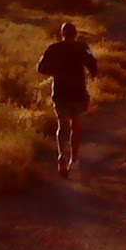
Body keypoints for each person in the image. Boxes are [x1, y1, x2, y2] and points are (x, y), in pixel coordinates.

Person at [37, 21, 98, 177]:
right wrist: (92, 73)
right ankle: (74, 160)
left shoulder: (53, 48)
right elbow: (93, 65)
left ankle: (61, 155)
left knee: (61, 126)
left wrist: (55, 73)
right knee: (75, 125)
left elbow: (40, 68)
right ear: (75, 34)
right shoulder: (82, 47)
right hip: (78, 93)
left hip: (60, 92)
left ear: (62, 34)